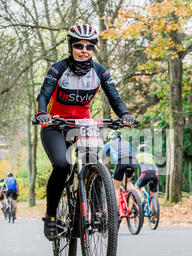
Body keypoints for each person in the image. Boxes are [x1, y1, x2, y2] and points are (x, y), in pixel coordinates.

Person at [35, 24, 137, 241]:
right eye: (79, 45)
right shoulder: (58, 68)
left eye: (89, 46)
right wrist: (42, 113)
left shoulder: (100, 71)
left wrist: (125, 114)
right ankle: (51, 216)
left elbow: (114, 98)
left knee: (93, 162)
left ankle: (99, 212)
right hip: (56, 124)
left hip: (83, 123)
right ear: (71, 46)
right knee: (62, 166)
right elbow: (44, 94)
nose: (84, 50)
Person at [101, 130, 137, 209]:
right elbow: (132, 154)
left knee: (116, 188)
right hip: (132, 162)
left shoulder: (109, 143)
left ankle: (116, 212)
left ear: (110, 138)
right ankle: (138, 200)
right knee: (127, 182)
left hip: (121, 162)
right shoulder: (126, 143)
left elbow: (102, 156)